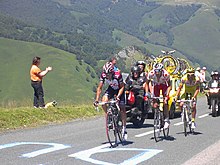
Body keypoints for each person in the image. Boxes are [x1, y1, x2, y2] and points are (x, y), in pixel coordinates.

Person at [94, 62, 127, 140]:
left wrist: (118, 96)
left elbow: (122, 87)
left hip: (119, 90)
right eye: (106, 74)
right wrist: (96, 99)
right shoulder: (103, 75)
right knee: (104, 101)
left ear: (112, 72)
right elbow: (99, 88)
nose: (107, 76)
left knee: (122, 108)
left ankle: (124, 128)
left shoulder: (118, 75)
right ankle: (108, 116)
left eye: (109, 74)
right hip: (111, 89)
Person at [145, 63, 171, 129]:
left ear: (161, 70)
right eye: (155, 71)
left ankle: (167, 120)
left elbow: (169, 86)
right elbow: (146, 83)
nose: (156, 73)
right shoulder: (151, 73)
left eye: (158, 71)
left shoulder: (166, 74)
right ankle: (158, 113)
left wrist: (167, 95)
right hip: (156, 86)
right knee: (154, 104)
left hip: (164, 86)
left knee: (165, 102)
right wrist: (147, 93)